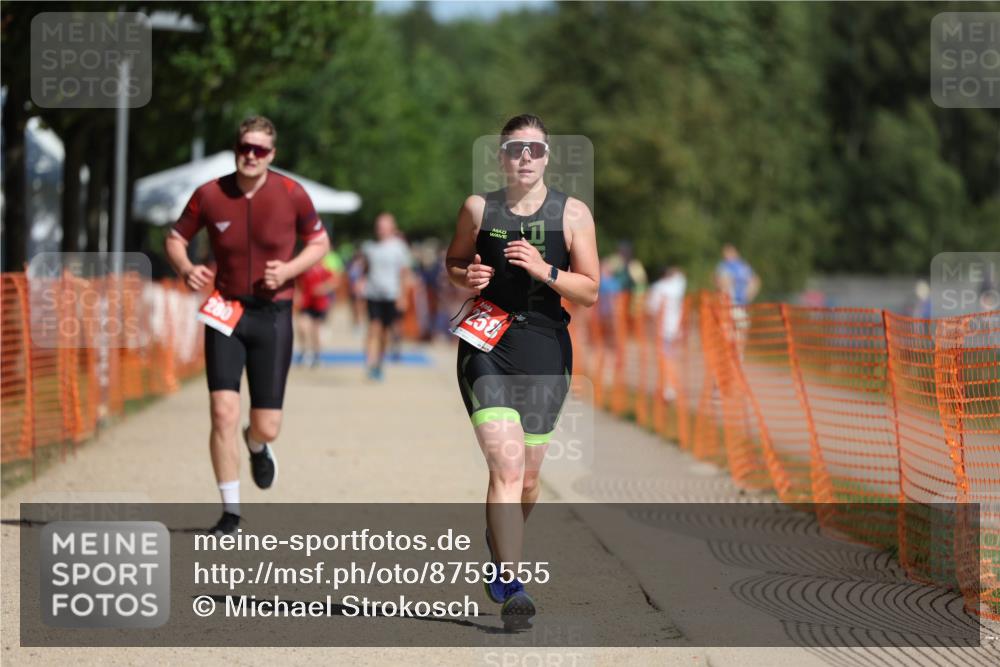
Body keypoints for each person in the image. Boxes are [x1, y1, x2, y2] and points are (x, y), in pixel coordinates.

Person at [445, 114, 599, 627]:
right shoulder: (478, 207)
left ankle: (499, 532)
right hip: (487, 343)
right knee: (506, 469)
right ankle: (511, 583)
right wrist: (469, 275)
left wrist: (544, 270)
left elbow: (592, 291)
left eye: (534, 149)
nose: (525, 157)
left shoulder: (573, 213)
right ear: (501, 156)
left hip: (545, 347)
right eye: (515, 149)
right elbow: (453, 262)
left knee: (528, 481)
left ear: (548, 156)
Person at [165, 116, 330, 535]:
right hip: (225, 311)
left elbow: (320, 243)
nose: (250, 155)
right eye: (244, 147)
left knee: (267, 424)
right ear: (236, 148)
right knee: (222, 411)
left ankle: (256, 444)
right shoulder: (210, 194)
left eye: (259, 149)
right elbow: (175, 238)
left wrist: (289, 268)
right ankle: (231, 511)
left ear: (272, 155)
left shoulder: (291, 193)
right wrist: (186, 268)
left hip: (273, 315)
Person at [361, 213, 411, 380]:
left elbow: (404, 273)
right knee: (373, 327)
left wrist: (402, 296)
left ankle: (379, 363)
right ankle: (370, 362)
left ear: (391, 228)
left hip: (391, 294)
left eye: (384, 226)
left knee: (384, 332)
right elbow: (365, 268)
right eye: (378, 226)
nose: (380, 230)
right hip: (372, 293)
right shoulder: (369, 247)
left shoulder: (399, 247)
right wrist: (361, 282)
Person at [646, 266, 687, 400]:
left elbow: (651, 309)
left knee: (664, 358)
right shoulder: (678, 286)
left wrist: (652, 326)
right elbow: (681, 276)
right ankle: (671, 386)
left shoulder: (658, 288)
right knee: (672, 357)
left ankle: (668, 388)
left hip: (662, 329)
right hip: (675, 328)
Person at [714, 244, 760, 351]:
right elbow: (755, 281)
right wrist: (748, 296)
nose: (726, 255)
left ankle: (733, 357)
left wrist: (747, 296)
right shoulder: (743, 267)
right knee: (735, 333)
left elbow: (720, 283)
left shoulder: (724, 266)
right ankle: (735, 357)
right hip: (735, 304)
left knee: (732, 333)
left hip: (733, 304)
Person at [295, 260, 338, 367]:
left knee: (316, 331)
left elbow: (334, 281)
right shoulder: (304, 269)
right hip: (306, 304)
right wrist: (297, 294)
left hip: (320, 304)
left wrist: (324, 288)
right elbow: (297, 283)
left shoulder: (324, 269)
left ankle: (316, 355)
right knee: (302, 327)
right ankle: (304, 352)